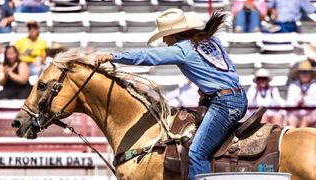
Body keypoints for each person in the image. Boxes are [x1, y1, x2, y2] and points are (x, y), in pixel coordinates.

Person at [94, 8, 248, 179]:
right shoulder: (212, 41)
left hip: (223, 104)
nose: (164, 41)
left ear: (175, 34)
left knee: (196, 154)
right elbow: (228, 69)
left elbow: (148, 57)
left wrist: (113, 56)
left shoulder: (182, 50)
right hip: (236, 97)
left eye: (164, 36)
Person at [286, 60, 316, 128]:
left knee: (305, 119)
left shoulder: (314, 86)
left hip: (311, 114)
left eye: (308, 72)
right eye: (303, 72)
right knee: (291, 120)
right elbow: (289, 103)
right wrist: (297, 102)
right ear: (299, 74)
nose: (305, 74)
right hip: (296, 113)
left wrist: (305, 101)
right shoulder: (293, 86)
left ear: (311, 74)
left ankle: (300, 137)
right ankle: (291, 137)